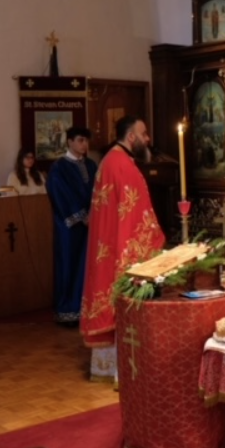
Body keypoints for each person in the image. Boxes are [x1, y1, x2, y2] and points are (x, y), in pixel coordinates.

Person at [81, 116, 165, 382]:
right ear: (132, 137)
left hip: (106, 247)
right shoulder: (123, 166)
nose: (148, 139)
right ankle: (126, 370)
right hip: (120, 250)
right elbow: (136, 217)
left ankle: (106, 369)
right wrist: (154, 243)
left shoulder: (110, 160)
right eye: (144, 133)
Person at [46, 127, 97, 326]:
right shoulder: (59, 168)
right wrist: (82, 216)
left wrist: (94, 213)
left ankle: (86, 309)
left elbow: (98, 190)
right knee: (69, 264)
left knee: (87, 266)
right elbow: (59, 193)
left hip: (91, 224)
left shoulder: (91, 165)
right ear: (69, 142)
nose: (84, 145)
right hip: (69, 227)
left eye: (86, 141)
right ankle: (67, 310)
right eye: (80, 140)